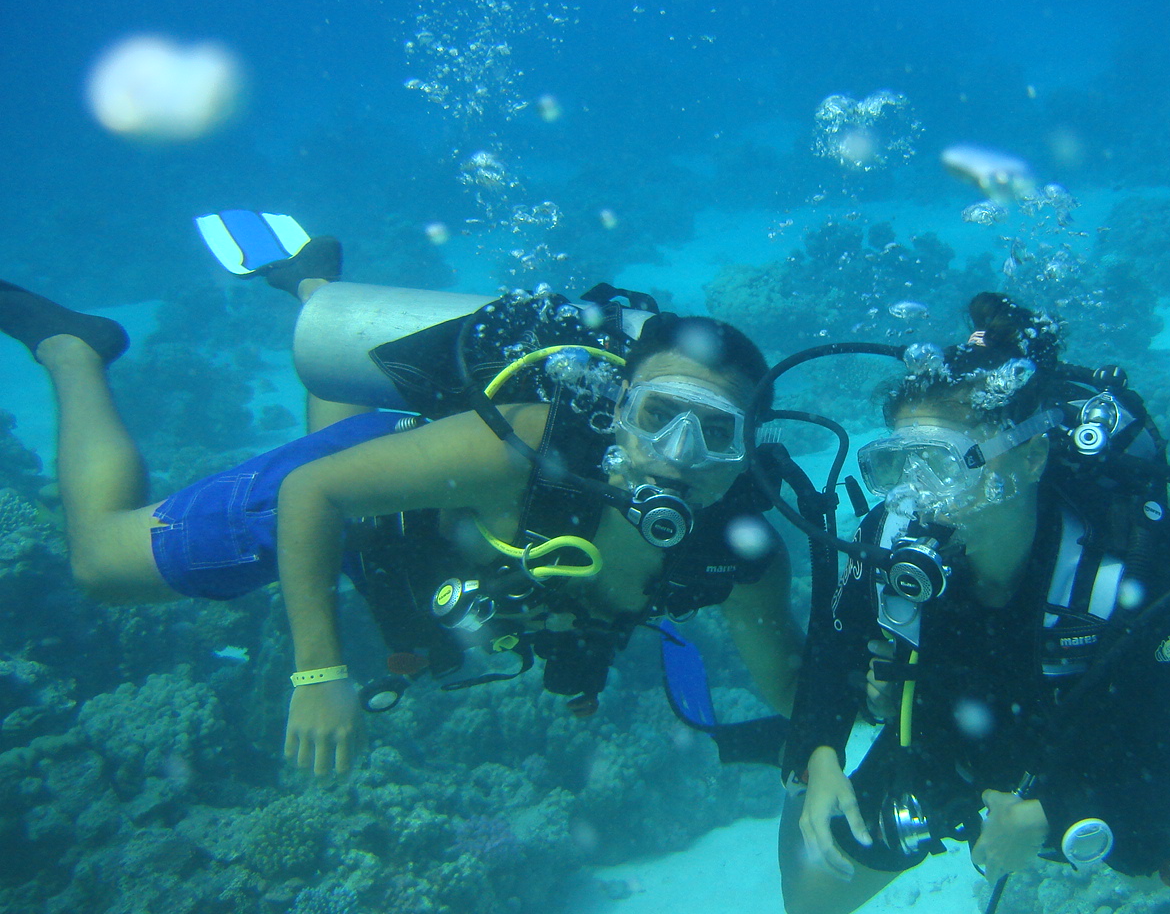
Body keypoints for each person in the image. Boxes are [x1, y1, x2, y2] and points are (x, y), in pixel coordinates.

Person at [0, 239, 802, 779]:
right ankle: (74, 350)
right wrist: (318, 673)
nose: (677, 456)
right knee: (101, 564)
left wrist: (860, 705)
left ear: (748, 449)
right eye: (657, 416)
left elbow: (789, 688)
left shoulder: (736, 555)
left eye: (716, 433)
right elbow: (314, 491)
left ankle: (319, 289)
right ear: (616, 406)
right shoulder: (529, 446)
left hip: (413, 520)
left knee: (347, 447)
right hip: (377, 502)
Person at [779, 293, 1170, 914]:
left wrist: (1050, 814)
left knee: (1144, 861)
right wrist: (819, 751)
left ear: (1031, 456)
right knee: (809, 899)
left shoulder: (1118, 569)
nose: (919, 496)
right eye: (902, 463)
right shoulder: (894, 532)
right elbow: (836, 640)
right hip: (944, 740)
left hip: (1082, 757)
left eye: (942, 463)